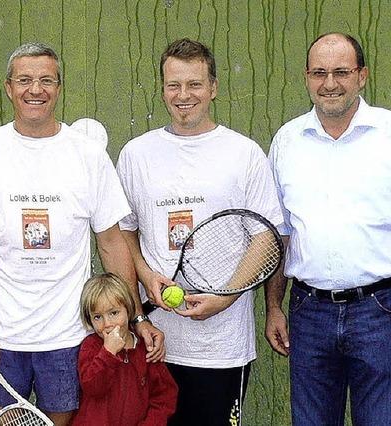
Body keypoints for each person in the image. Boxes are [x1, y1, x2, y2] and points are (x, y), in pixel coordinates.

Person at [0, 41, 165, 425]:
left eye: (46, 80)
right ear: (8, 87)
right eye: (24, 80)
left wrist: (136, 319)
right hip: (1, 337)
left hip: (70, 339)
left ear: (58, 87)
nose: (35, 90)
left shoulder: (86, 154)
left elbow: (111, 243)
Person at [116, 38, 282, 425]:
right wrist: (143, 277)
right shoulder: (135, 155)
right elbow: (124, 233)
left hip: (223, 349)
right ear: (162, 89)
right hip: (154, 343)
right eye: (174, 85)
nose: (183, 95)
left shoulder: (244, 153)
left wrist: (225, 298)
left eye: (194, 84)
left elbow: (265, 239)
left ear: (213, 88)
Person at [265, 32, 391, 425]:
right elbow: (279, 234)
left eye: (341, 72)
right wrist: (273, 307)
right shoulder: (287, 141)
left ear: (363, 76)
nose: (330, 83)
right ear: (306, 77)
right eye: (319, 72)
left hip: (380, 311)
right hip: (309, 312)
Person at [73, 272, 177, 426]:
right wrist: (108, 353)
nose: (107, 323)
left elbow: (164, 396)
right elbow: (93, 388)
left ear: (128, 310)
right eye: (97, 317)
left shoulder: (146, 348)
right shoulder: (91, 347)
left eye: (114, 313)